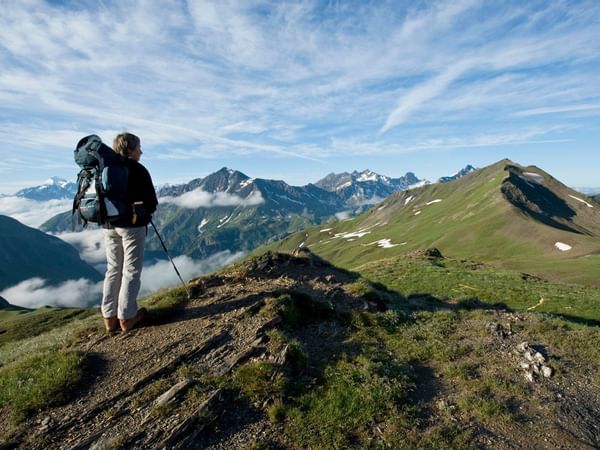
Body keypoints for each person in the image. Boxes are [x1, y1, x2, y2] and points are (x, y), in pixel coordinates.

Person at [101, 132, 158, 333]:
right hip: (132, 227)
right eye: (138, 148)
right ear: (130, 149)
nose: (141, 151)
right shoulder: (137, 169)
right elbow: (152, 202)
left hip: (108, 226)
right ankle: (127, 317)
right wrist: (145, 212)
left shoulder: (105, 169)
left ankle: (109, 318)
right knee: (131, 270)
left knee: (113, 268)